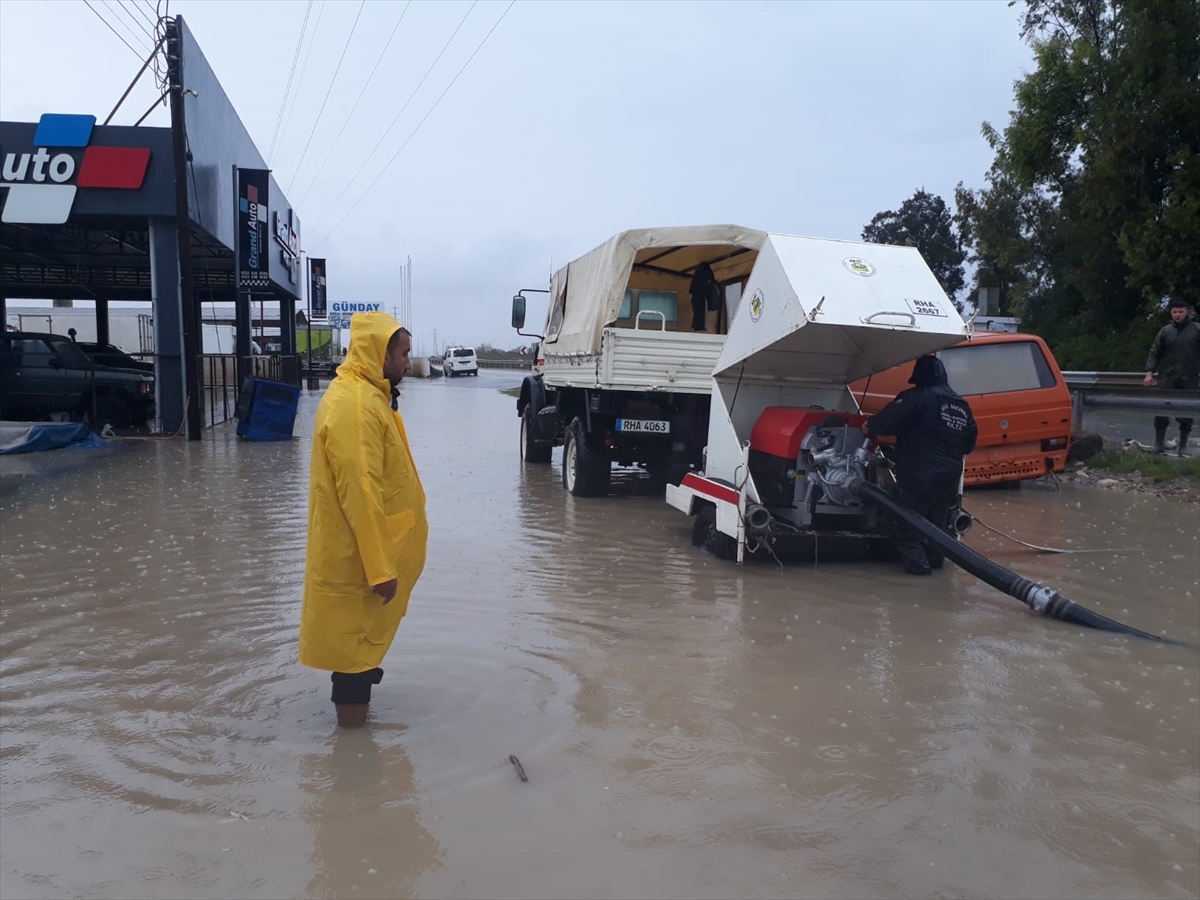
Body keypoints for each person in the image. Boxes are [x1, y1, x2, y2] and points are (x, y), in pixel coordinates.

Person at [299, 311, 428, 728]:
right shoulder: (356, 405)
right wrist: (379, 568)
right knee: (353, 655)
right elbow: (361, 490)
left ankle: (356, 740)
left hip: (365, 552)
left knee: (360, 648)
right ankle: (353, 759)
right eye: (404, 354)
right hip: (359, 557)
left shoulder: (369, 395)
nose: (409, 362)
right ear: (381, 354)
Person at [863, 354, 978, 576]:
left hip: (919, 475)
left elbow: (890, 419)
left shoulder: (918, 397)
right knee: (937, 529)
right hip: (949, 479)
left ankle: (919, 573)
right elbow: (969, 443)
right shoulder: (962, 405)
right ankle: (935, 568)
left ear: (919, 376)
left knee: (903, 525)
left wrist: (870, 426)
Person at [1143, 298, 1200, 456]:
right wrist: (1149, 373)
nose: (1177, 315)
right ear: (1170, 313)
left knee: (1186, 413)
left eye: (1181, 311)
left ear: (1187, 311)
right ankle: (1158, 444)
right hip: (1167, 376)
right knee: (1161, 410)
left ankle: (1183, 446)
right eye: (1174, 312)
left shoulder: (1196, 329)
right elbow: (1154, 352)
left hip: (1189, 376)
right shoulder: (1165, 331)